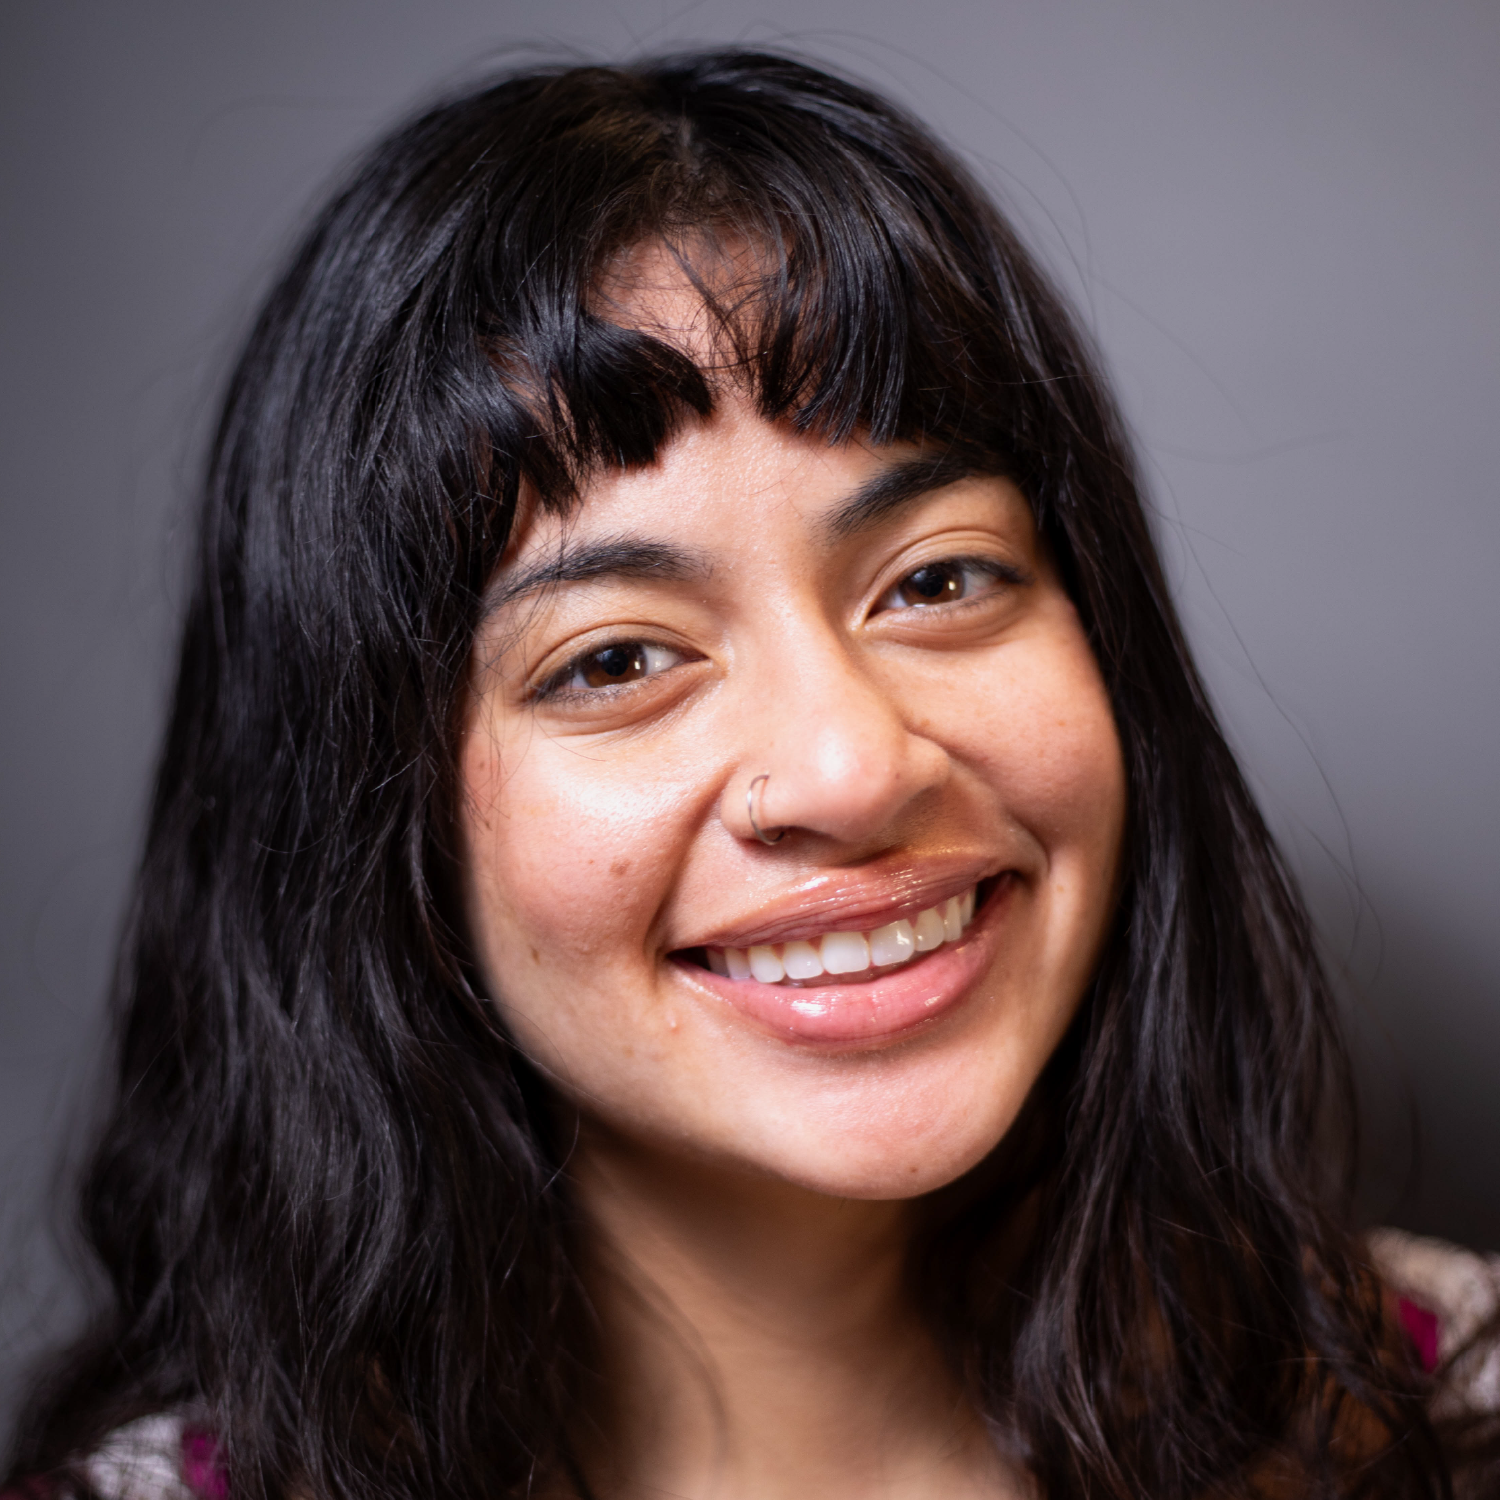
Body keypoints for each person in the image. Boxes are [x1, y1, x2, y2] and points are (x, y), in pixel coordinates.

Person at [3, 48, 1495, 1500]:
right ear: (366, 825)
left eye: (936, 579)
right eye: (613, 660)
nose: (850, 767)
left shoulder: (1453, 1418)